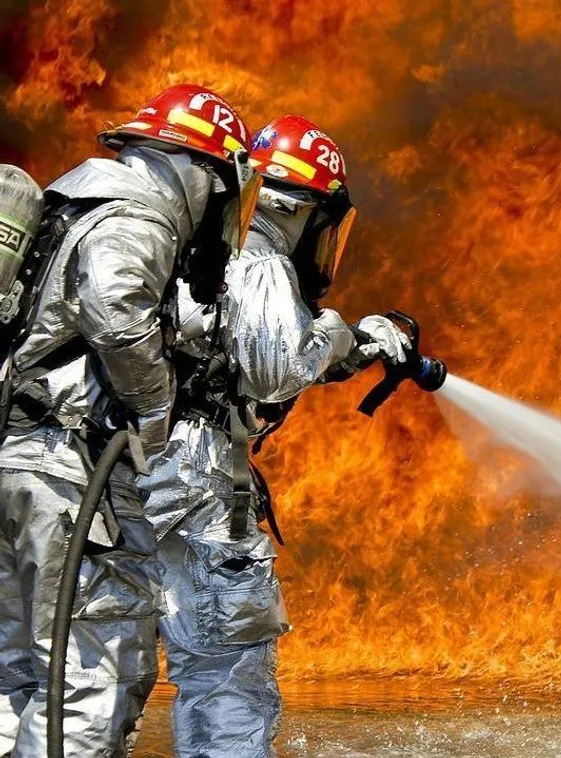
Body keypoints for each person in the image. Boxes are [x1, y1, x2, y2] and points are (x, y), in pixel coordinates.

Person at [0, 84, 259, 756]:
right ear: (198, 171)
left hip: (17, 455)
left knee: (19, 676)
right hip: (66, 474)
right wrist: (153, 412)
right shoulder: (136, 216)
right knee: (93, 674)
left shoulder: (71, 202)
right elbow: (116, 309)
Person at [142, 114, 411, 757]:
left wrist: (353, 347)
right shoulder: (258, 255)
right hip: (197, 483)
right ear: (306, 210)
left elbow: (234, 348)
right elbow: (275, 367)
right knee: (227, 674)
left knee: (104, 668)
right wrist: (353, 333)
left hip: (133, 473)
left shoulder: (191, 245)